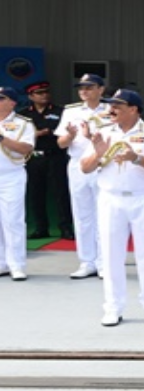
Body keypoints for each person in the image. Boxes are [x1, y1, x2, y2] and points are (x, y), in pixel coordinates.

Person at [80, 89, 144, 327]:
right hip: (111, 198)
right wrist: (98, 154)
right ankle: (113, 307)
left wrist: (137, 158)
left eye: (117, 106)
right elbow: (85, 168)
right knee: (111, 254)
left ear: (133, 109)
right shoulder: (102, 132)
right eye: (111, 105)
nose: (111, 110)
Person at [55, 73, 113, 279]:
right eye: (81, 87)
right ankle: (87, 261)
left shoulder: (111, 109)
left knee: (103, 214)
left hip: (103, 164)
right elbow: (60, 143)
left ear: (101, 89)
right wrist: (70, 136)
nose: (84, 91)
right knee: (82, 214)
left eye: (89, 87)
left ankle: (104, 262)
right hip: (78, 164)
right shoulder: (71, 111)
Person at [19, 81, 72, 240]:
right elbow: (23, 134)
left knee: (61, 193)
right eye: (40, 93)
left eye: (46, 92)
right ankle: (41, 228)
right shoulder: (23, 114)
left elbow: (56, 131)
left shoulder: (60, 111)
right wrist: (38, 133)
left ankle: (65, 228)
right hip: (34, 157)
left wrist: (39, 132)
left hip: (55, 156)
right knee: (36, 194)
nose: (44, 95)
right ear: (31, 96)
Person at [0, 87, 35, 281]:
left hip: (10, 176)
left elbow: (26, 149)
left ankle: (17, 265)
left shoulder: (23, 124)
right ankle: (1, 263)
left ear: (11, 102)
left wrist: (2, 139)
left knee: (12, 220)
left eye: (0, 98)